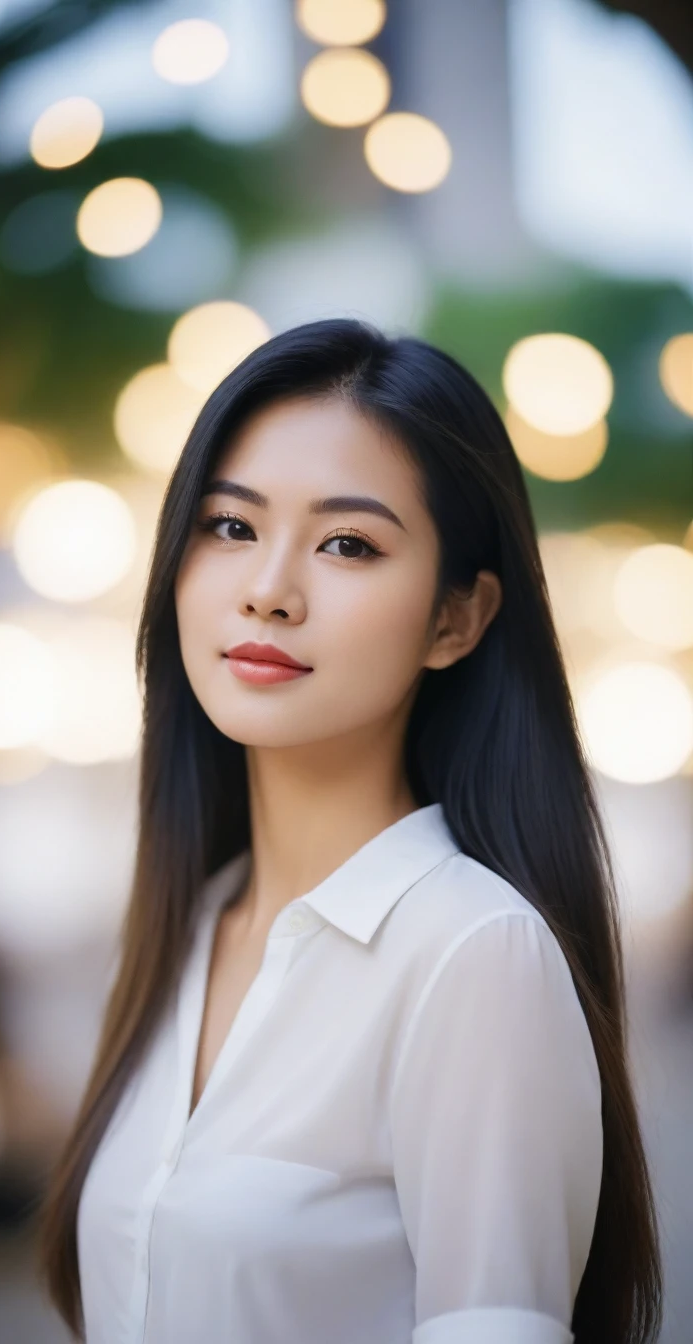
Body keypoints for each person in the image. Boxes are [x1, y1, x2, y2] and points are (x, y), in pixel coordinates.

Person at [37, 318, 663, 1344]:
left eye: (347, 544)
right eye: (231, 526)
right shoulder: (190, 924)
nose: (268, 591)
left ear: (456, 619)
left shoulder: (472, 955)